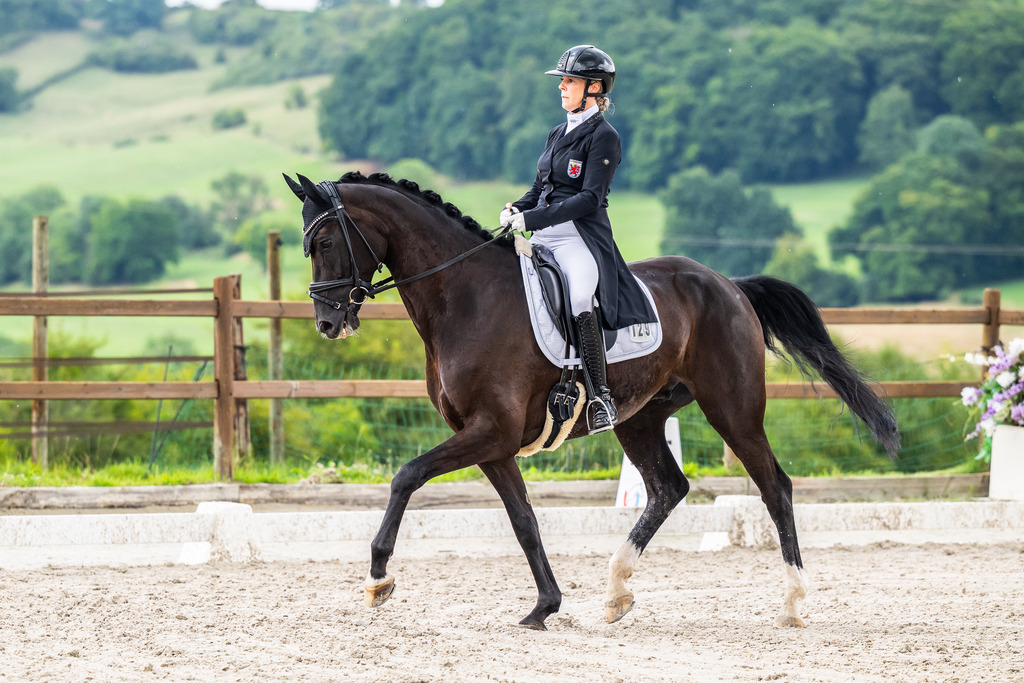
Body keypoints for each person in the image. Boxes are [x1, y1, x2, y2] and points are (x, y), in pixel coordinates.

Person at [500, 44, 657, 434]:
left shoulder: (605, 137)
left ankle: (601, 396)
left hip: (578, 239)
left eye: (569, 81)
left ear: (595, 87)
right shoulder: (558, 131)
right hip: (543, 235)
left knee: (580, 298)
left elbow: (588, 199)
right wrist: (515, 210)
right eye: (563, 81)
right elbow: (540, 186)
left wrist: (530, 217)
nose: (562, 87)